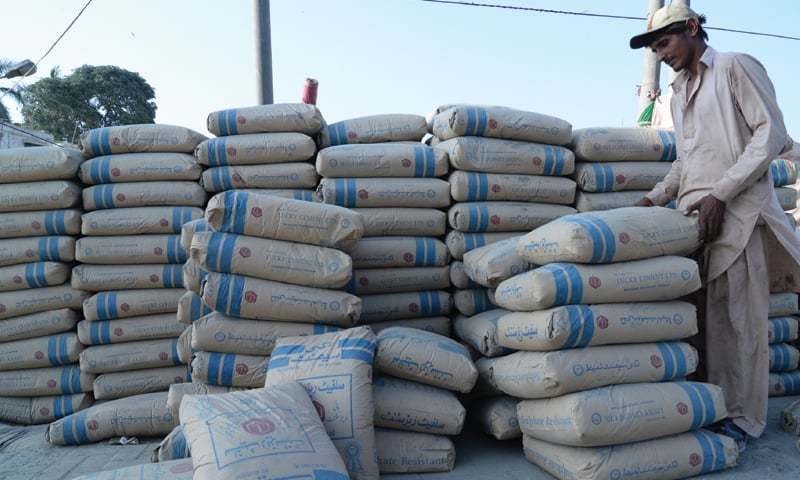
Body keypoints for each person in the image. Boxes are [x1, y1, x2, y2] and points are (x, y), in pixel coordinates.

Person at [629, 4, 800, 450]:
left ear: (691, 28)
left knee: (739, 322)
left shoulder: (733, 67)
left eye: (664, 43)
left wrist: (721, 194)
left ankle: (744, 422)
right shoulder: (679, 93)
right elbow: (687, 161)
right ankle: (713, 408)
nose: (660, 53)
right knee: (704, 324)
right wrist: (656, 196)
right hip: (695, 221)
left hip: (739, 214)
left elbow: (771, 134)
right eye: (653, 47)